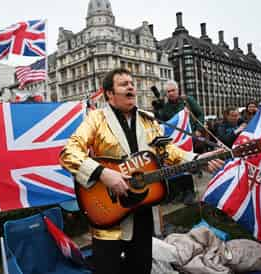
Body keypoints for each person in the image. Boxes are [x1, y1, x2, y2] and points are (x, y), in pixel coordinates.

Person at [59, 68, 224, 274]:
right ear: (109, 94)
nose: (131, 86)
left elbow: (168, 151)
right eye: (123, 84)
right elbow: (68, 153)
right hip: (109, 215)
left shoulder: (149, 120)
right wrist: (103, 173)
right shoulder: (96, 119)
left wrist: (197, 159)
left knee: (141, 268)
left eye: (132, 83)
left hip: (143, 212)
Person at [155, 80, 204, 205]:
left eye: (173, 90)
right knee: (175, 165)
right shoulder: (165, 106)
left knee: (186, 163)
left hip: (188, 137)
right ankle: (178, 192)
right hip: (174, 140)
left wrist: (198, 130)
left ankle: (189, 192)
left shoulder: (187, 101)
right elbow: (162, 124)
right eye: (168, 91)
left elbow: (200, 114)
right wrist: (157, 109)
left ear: (178, 90)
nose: (171, 93)